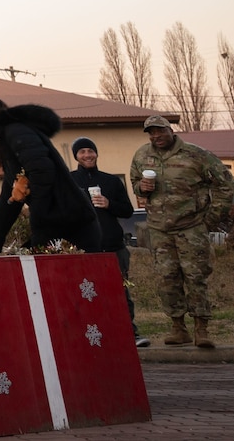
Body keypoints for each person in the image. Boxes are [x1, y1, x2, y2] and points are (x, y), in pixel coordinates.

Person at [131, 113, 233, 348]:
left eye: (160, 131)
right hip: (159, 229)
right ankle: (178, 328)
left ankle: (201, 329)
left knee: (195, 277)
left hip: (191, 228)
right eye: (151, 132)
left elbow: (224, 182)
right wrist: (141, 187)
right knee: (167, 279)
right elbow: (135, 181)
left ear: (170, 130)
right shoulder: (142, 155)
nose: (156, 136)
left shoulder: (196, 154)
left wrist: (213, 218)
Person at [0, 96, 103, 256]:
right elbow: (9, 200)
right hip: (57, 224)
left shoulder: (16, 132)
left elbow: (42, 172)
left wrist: (39, 222)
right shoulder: (9, 148)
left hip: (73, 225)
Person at [70, 135, 145, 346]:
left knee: (120, 291)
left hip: (114, 246)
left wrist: (108, 203)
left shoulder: (111, 181)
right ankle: (94, 335)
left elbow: (128, 211)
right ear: (76, 155)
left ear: (96, 153)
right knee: (87, 293)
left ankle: (130, 334)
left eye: (90, 151)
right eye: (82, 152)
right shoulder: (70, 181)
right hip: (84, 249)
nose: (87, 155)